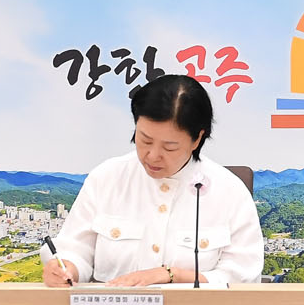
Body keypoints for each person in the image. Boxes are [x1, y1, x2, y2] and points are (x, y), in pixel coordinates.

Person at [44, 74, 264, 287]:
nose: (152, 156)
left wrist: (172, 275)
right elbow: (76, 249)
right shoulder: (106, 177)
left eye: (170, 147)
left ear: (197, 139)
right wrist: (68, 268)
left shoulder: (230, 191)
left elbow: (243, 277)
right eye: (145, 140)